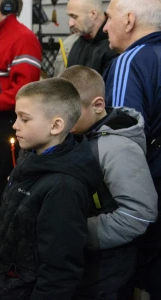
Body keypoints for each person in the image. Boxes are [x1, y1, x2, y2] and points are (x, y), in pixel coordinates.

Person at [0, 78, 103, 299]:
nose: (15, 125)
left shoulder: (64, 187)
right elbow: (23, 223)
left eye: (25, 119)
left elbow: (60, 271)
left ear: (55, 125)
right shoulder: (31, 161)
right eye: (17, 116)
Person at [60, 66, 158, 299]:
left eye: (72, 112)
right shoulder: (79, 134)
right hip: (82, 265)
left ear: (98, 105)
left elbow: (139, 214)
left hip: (106, 270)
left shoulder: (118, 148)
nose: (62, 120)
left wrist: (75, 232)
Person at [103, 0, 161, 298]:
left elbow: (123, 138)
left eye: (109, 18)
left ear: (129, 20)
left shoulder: (131, 60)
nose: (104, 27)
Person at [0, 0, 42, 197]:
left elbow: (24, 91)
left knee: (1, 186)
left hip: (8, 125)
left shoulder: (23, 39)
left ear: (7, 7)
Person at [65, 0, 117, 75]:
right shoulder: (79, 42)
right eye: (69, 17)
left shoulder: (114, 47)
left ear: (93, 14)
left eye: (74, 16)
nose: (70, 23)